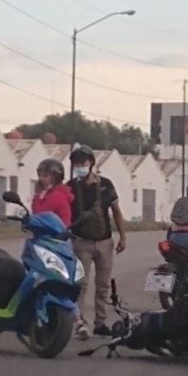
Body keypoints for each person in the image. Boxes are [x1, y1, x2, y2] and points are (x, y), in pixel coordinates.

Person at [68, 145, 128, 340]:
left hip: (104, 242)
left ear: (91, 163)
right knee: (81, 284)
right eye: (76, 163)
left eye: (83, 163)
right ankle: (80, 322)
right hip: (80, 242)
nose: (80, 167)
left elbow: (116, 212)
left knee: (103, 285)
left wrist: (123, 236)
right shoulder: (70, 188)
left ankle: (100, 323)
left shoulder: (106, 185)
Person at [30, 158, 73, 229]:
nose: (41, 178)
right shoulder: (45, 194)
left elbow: (41, 214)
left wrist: (38, 196)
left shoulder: (57, 196)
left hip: (56, 236)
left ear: (56, 177)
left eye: (45, 176)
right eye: (40, 175)